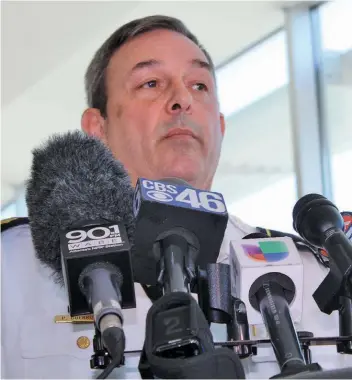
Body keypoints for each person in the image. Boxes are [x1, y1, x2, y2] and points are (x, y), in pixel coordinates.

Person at [1, 15, 350, 379]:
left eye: (199, 86)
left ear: (220, 126)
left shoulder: (308, 272)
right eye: (151, 83)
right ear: (97, 129)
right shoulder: (14, 267)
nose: (182, 100)